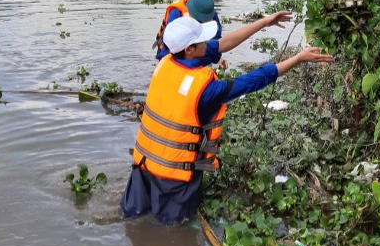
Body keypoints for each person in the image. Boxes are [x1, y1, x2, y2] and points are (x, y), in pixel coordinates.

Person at [122, 16, 334, 225]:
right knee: (173, 236)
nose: (209, 43)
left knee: (135, 222)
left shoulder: (167, 61)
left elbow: (225, 43)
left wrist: (264, 22)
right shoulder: (205, 90)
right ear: (190, 50)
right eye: (203, 41)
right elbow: (255, 79)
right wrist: (297, 59)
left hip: (143, 167)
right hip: (174, 179)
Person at [153, 0, 292, 66]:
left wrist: (217, 57)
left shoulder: (211, 15)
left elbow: (220, 43)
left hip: (196, 51)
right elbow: (168, 48)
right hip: (170, 53)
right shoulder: (176, 15)